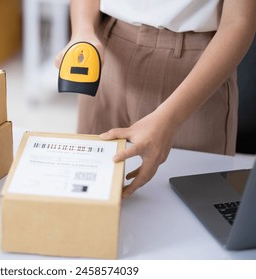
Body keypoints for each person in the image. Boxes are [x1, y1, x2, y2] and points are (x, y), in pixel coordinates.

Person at [55, 0, 256, 198]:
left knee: (191, 211)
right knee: (89, 192)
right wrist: (82, 31)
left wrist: (170, 120)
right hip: (106, 49)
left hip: (193, 71)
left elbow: (239, 20)